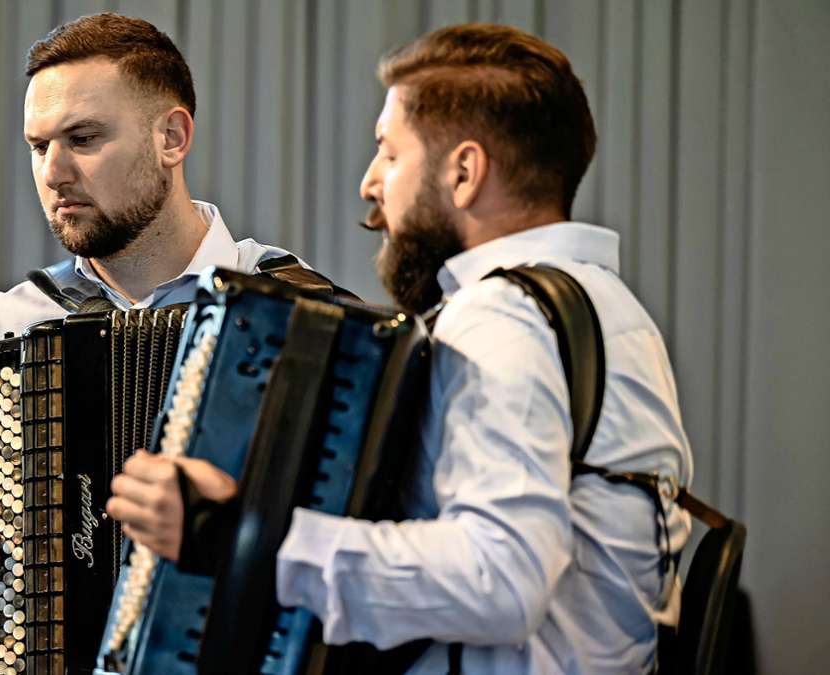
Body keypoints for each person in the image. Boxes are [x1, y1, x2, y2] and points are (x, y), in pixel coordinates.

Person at [107, 23, 694, 674]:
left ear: (465, 172)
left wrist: (234, 533)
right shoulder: (613, 308)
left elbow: (502, 577)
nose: (369, 183)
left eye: (389, 152)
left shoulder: (502, 319)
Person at [0, 12, 305, 595]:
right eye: (39, 145)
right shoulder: (11, 326)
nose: (53, 172)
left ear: (171, 138)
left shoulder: (300, 314)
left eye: (83, 139)